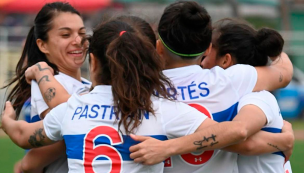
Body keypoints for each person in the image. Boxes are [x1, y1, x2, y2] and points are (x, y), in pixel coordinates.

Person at [2, 18, 271, 173]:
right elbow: (234, 133)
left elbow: (24, 136)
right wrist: (168, 147)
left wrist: (8, 120)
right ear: (151, 58)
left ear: (93, 63)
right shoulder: (161, 109)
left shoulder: (72, 108)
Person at [128, 1, 293, 173]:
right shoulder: (233, 79)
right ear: (207, 48)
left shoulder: (143, 90)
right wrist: (273, 48)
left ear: (159, 47)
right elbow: (284, 72)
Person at [1, 2, 90, 173]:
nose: (78, 41)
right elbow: (68, 124)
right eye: (66, 35)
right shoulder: (47, 83)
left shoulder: (88, 85)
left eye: (82, 33)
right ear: (43, 45)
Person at [200, 18, 293, 173]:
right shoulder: (242, 93)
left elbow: (242, 138)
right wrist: (282, 140)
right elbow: (285, 71)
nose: (203, 60)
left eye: (210, 50)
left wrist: (171, 143)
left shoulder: (254, 95)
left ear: (225, 61)